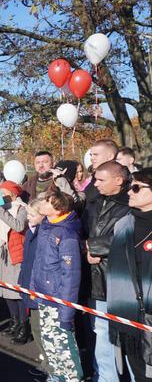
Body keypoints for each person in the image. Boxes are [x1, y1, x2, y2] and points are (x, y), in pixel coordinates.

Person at [83, 160, 130, 381]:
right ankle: (103, 377)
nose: (96, 183)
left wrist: (95, 247)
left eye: (101, 180)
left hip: (121, 279)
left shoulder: (132, 202)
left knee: (128, 338)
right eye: (95, 179)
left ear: (118, 180)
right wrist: (86, 249)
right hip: (97, 280)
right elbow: (83, 230)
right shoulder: (94, 201)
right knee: (101, 333)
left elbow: (132, 234)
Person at [32, 191, 83, 382]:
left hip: (59, 301)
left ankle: (70, 378)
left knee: (63, 347)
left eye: (47, 201)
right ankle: (56, 376)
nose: (43, 203)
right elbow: (38, 264)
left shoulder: (67, 234)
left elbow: (71, 277)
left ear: (58, 209)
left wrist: (67, 313)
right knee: (49, 343)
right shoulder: (46, 227)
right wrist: (33, 289)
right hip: (44, 296)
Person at [107, 168, 152, 382]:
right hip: (128, 316)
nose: (129, 192)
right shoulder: (123, 225)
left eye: (136, 188)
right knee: (138, 373)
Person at [0, 180, 30, 344]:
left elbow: (18, 226)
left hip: (14, 252)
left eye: (2, 192)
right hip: (1, 250)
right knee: (5, 289)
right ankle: (14, 322)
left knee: (17, 291)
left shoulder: (22, 207)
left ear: (11, 193)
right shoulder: (1, 207)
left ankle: (24, 327)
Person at [19, 199, 52, 379]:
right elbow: (27, 261)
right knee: (36, 328)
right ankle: (45, 361)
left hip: (39, 289)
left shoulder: (45, 235)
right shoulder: (32, 232)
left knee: (43, 329)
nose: (28, 218)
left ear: (43, 216)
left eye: (32, 214)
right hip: (29, 285)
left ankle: (50, 364)